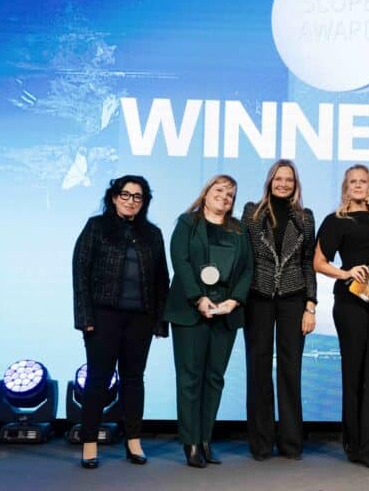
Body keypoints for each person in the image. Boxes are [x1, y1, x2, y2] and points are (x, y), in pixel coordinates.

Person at [72, 175, 169, 469]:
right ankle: (90, 443)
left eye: (138, 196)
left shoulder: (153, 234)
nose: (131, 201)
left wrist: (159, 322)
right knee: (98, 380)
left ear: (144, 202)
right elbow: (80, 273)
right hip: (103, 317)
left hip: (141, 318)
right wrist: (85, 317)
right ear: (114, 197)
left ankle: (134, 441)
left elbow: (162, 280)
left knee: (134, 379)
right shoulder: (96, 227)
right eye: (125, 195)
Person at [313, 164, 369, 469]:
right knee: (354, 372)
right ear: (346, 187)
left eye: (363, 181)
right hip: (350, 301)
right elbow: (318, 262)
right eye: (353, 181)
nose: (358, 185)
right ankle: (355, 444)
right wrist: (346, 273)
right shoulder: (336, 221)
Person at [164, 174, 253, 468]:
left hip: (225, 313)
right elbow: (181, 262)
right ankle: (190, 442)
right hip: (191, 312)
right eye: (220, 190)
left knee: (215, 378)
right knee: (190, 378)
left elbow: (247, 269)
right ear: (206, 192)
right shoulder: (187, 223)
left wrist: (234, 300)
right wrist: (198, 298)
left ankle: (205, 439)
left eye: (230, 195)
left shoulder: (239, 230)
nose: (224, 197)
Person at [241, 159, 317, 461]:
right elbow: (245, 258)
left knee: (290, 370)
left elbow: (308, 262)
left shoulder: (305, 218)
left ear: (295, 184)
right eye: (278, 179)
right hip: (257, 298)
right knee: (257, 369)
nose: (283, 184)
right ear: (269, 181)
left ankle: (291, 443)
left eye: (289, 179)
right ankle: (261, 443)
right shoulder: (252, 212)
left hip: (293, 299)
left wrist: (310, 305)